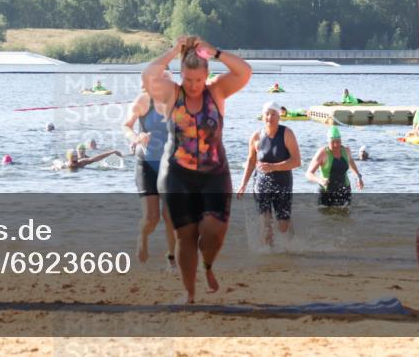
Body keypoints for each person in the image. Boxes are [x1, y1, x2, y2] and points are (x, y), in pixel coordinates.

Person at [143, 35, 252, 304]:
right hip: (178, 174)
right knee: (186, 235)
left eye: (198, 80)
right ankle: (189, 294)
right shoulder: (172, 93)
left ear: (206, 76)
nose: (193, 86)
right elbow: (148, 75)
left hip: (214, 173)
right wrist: (172, 51)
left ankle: (208, 265)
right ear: (181, 76)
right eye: (188, 80)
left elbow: (245, 71)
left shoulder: (216, 91)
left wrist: (214, 52)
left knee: (214, 232)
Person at [123, 75, 177, 266]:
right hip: (146, 163)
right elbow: (126, 126)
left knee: (170, 216)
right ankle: (142, 237)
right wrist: (137, 137)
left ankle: (172, 259)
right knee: (151, 218)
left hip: (170, 166)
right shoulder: (144, 101)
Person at [238, 101, 302, 246]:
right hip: (261, 183)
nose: (270, 117)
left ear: (279, 117)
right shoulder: (256, 137)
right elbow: (251, 160)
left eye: (273, 114)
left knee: (282, 226)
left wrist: (273, 166)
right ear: (263, 116)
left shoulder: (287, 133)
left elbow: (297, 161)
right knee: (265, 225)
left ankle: (291, 244)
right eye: (267, 114)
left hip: (283, 183)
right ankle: (268, 257)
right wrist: (243, 184)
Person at [305, 126, 364, 209]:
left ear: (341, 140)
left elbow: (351, 163)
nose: (336, 145)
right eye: (332, 142)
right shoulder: (322, 153)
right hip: (326, 192)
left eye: (338, 141)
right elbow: (308, 173)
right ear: (328, 141)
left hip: (345, 190)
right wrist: (320, 180)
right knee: (325, 219)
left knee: (346, 218)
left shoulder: (346, 150)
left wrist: (358, 176)